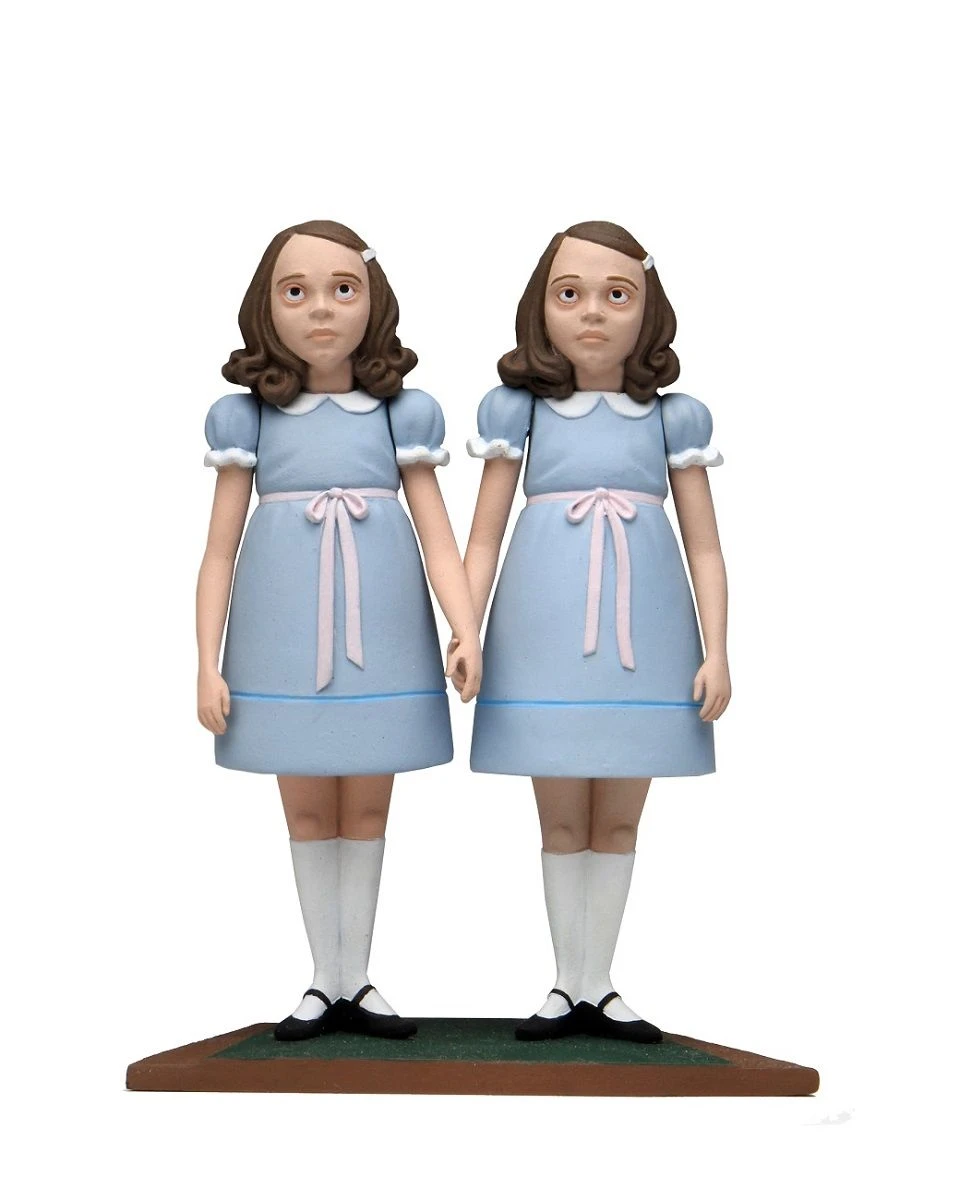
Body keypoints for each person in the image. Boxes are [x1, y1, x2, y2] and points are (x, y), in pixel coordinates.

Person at [197, 220, 481, 1040]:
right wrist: (206, 661)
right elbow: (218, 550)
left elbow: (437, 535)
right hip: (279, 636)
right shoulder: (247, 417)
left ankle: (357, 976)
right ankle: (323, 978)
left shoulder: (402, 412)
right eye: (296, 291)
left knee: (366, 812)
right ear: (265, 306)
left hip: (383, 630)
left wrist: (465, 627)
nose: (321, 307)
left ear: (374, 300)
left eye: (342, 288)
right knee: (307, 814)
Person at [459, 221, 730, 1041]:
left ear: (649, 310)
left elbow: (705, 545)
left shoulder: (673, 417)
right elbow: (482, 536)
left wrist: (718, 650)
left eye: (617, 295)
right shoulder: (519, 411)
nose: (592, 312)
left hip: (648, 640)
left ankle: (599, 983)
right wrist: (466, 628)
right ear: (539, 307)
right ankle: (564, 983)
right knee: (559, 821)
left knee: (617, 821)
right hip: (539, 636)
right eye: (569, 293)